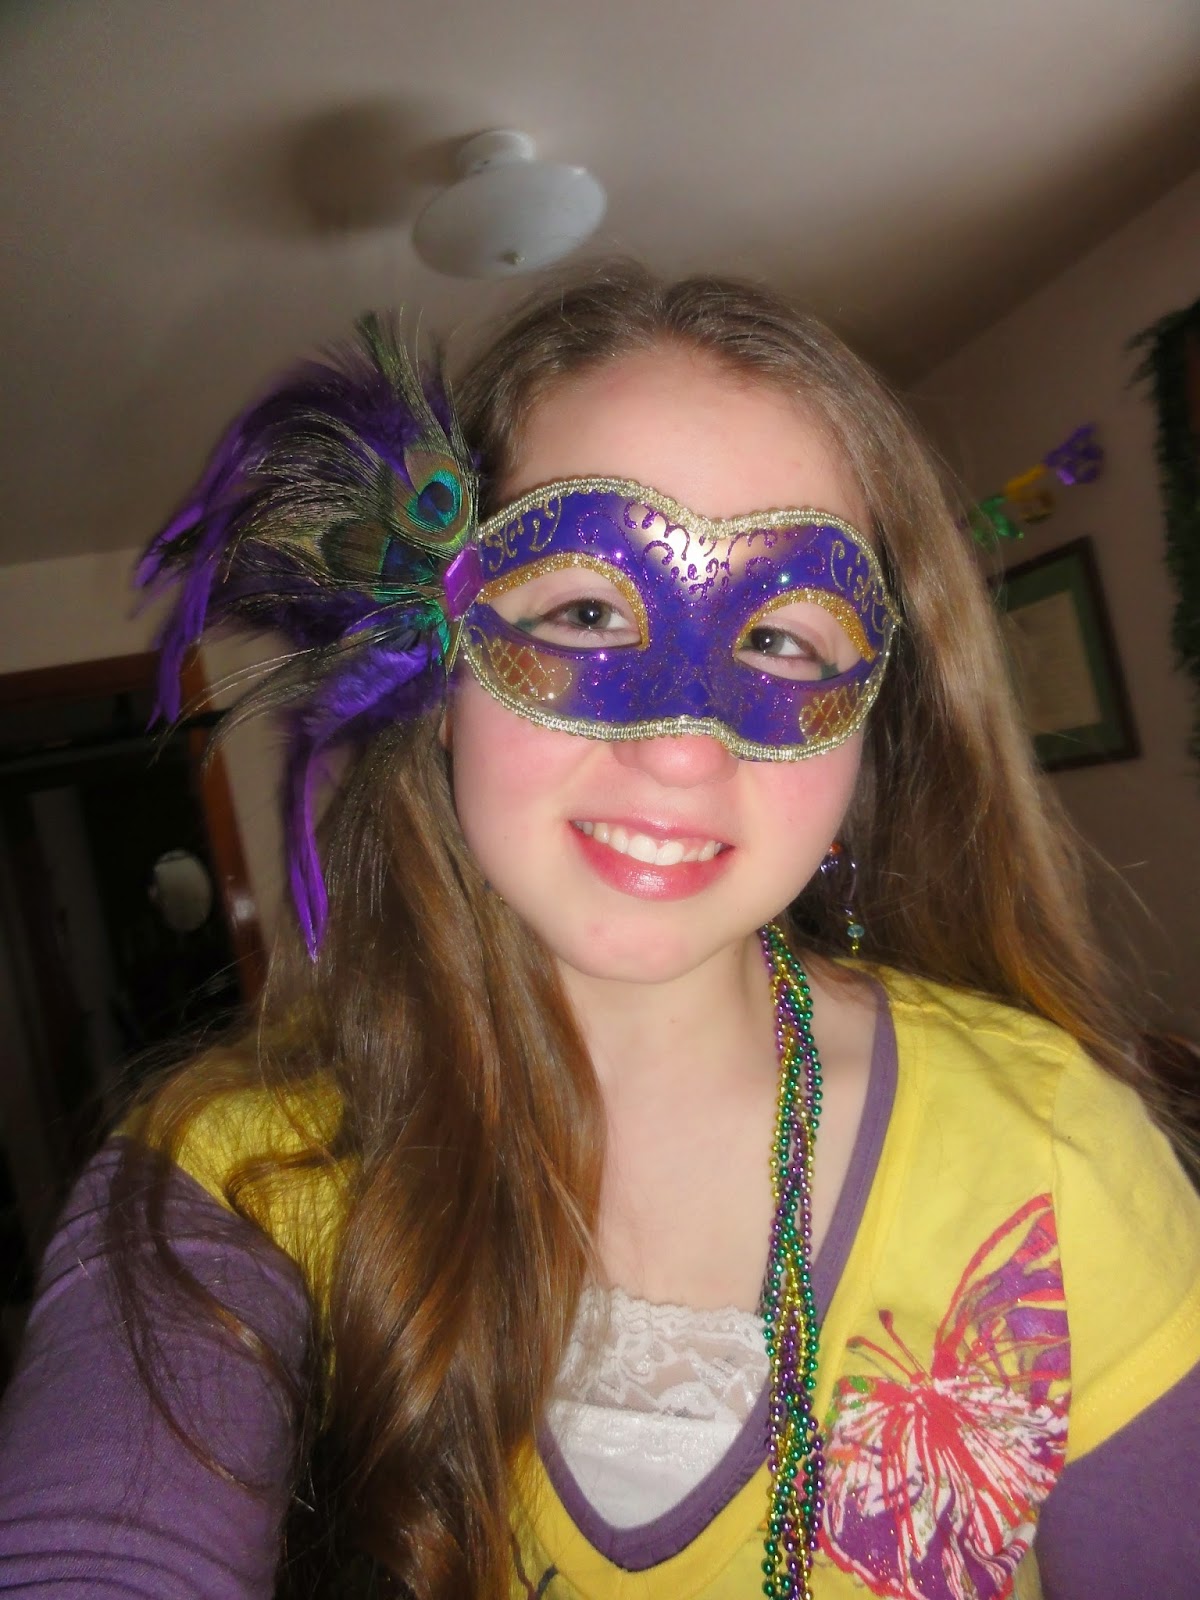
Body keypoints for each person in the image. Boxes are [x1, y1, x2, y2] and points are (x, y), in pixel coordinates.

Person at [1, 263, 1198, 1600]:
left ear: (868, 732)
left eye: (784, 641)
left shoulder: (1056, 1155)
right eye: (583, 613)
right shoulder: (237, 1185)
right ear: (439, 673)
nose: (681, 745)